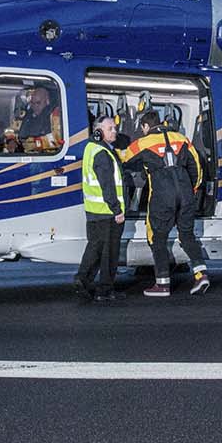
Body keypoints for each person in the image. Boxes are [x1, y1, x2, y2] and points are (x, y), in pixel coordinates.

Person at [123, 110, 210, 297]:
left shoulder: (142, 143)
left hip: (162, 196)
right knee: (187, 235)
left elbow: (124, 160)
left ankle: (162, 284)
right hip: (186, 193)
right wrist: (193, 189)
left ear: (146, 126)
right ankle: (201, 275)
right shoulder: (182, 139)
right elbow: (196, 166)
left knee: (157, 237)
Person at [74, 115, 125, 303]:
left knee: (94, 247)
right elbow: (107, 185)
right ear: (98, 131)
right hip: (107, 212)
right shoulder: (103, 154)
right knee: (110, 253)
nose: (115, 131)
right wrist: (117, 210)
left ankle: (83, 279)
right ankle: (105, 290)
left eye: (115, 128)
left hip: (93, 211)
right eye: (110, 128)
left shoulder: (90, 148)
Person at [1, 83, 63, 155]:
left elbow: (59, 139)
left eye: (38, 103)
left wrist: (36, 143)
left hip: (46, 156)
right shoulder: (25, 114)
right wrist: (11, 140)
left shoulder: (55, 115)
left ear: (47, 101)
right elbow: (11, 129)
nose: (34, 106)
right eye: (32, 103)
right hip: (24, 155)